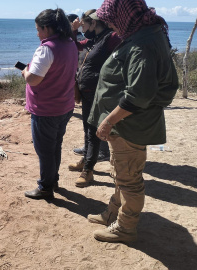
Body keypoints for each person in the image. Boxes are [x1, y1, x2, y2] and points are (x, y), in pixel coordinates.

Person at [87, 0, 178, 243]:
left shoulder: (143, 43)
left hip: (129, 125)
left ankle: (125, 228)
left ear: (125, 15)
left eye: (111, 17)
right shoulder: (141, 33)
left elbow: (139, 95)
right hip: (125, 124)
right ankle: (112, 214)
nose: (108, 23)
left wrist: (108, 122)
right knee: (121, 173)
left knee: (129, 178)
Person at [23, 8, 78, 200]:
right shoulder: (70, 43)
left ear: (47, 28)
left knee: (45, 150)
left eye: (38, 29)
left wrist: (25, 72)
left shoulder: (47, 48)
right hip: (64, 105)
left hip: (46, 108)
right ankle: (52, 179)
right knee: (55, 145)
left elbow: (34, 79)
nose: (37, 33)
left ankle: (46, 187)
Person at [67, 9, 121, 187]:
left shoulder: (111, 37)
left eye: (84, 25)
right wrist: (73, 31)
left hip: (99, 94)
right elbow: (74, 45)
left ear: (94, 23)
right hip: (87, 93)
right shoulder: (94, 39)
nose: (83, 28)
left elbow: (124, 52)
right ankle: (86, 161)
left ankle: (88, 171)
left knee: (93, 132)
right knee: (87, 129)